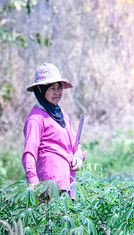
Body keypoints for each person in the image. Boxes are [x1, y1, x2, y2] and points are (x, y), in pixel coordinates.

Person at [22, 63, 85, 199]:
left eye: (59, 88)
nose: (57, 92)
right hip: (49, 186)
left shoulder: (61, 113)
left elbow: (75, 142)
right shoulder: (36, 119)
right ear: (41, 90)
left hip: (68, 183)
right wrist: (33, 182)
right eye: (52, 88)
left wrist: (79, 156)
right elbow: (29, 153)